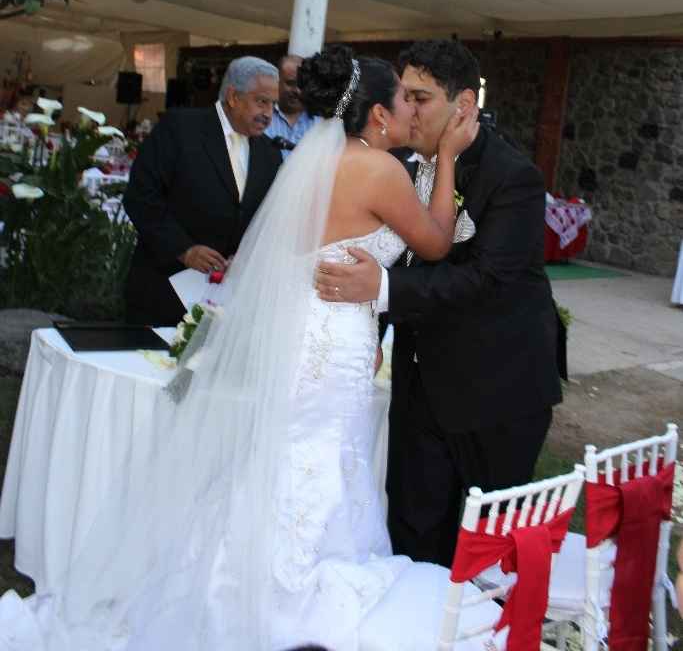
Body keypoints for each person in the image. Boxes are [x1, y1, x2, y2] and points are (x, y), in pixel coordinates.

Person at [0, 46, 479, 651]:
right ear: (377, 116)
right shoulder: (378, 171)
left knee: (290, 456)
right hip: (331, 345)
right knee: (319, 456)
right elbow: (436, 243)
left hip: (315, 332)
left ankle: (232, 578)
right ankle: (286, 589)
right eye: (402, 103)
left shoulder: (319, 161)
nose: (410, 113)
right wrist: (447, 158)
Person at [316, 38, 562, 568]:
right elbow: (393, 253)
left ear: (465, 106)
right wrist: (375, 333)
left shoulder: (512, 177)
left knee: (485, 554)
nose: (407, 109)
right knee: (410, 533)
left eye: (421, 98)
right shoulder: (394, 163)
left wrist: (380, 292)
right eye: (403, 96)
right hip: (419, 383)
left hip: (495, 390)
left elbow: (487, 281)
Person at [123, 56, 282, 325]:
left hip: (225, 306)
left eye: (273, 104)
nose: (268, 113)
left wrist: (244, 257)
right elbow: (141, 197)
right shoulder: (180, 128)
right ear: (233, 96)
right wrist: (184, 249)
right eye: (261, 101)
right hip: (162, 291)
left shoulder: (269, 154)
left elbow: (265, 220)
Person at [265, 54, 319, 156]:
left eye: (302, 84)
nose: (297, 91)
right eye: (290, 83)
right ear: (276, 81)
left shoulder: (320, 122)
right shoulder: (263, 117)